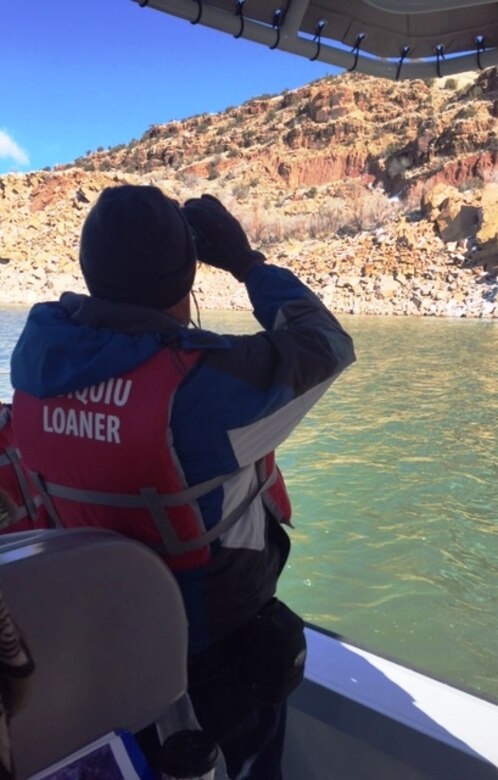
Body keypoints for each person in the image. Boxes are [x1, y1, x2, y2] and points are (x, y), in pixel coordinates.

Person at [10, 185, 355, 779]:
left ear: (92, 273)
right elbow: (326, 343)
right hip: (217, 653)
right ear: (185, 279)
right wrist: (246, 263)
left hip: (103, 637)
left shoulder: (36, 365)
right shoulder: (205, 391)